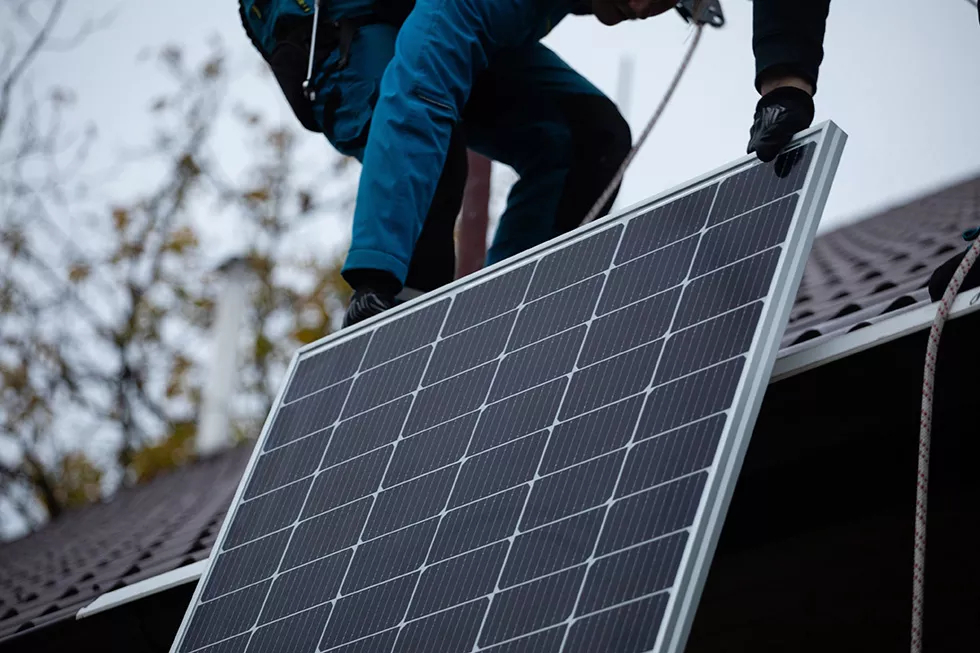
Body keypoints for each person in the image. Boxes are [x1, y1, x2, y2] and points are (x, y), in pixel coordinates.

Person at [238, 0, 633, 328]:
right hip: (335, 22)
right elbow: (420, 89)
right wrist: (380, 277)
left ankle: (501, 329)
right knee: (429, 163)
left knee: (587, 139)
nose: (646, 8)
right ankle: (399, 360)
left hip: (423, 10)